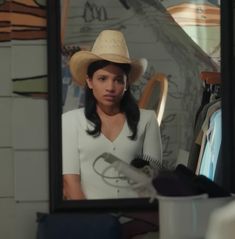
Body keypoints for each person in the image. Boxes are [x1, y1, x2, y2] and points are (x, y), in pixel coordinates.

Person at [62, 29, 162, 200]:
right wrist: (92, 221)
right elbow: (71, 182)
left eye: (118, 80)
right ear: (89, 81)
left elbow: (153, 181)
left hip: (137, 219)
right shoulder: (70, 121)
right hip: (90, 219)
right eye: (102, 78)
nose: (110, 87)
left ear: (126, 84)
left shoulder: (147, 120)